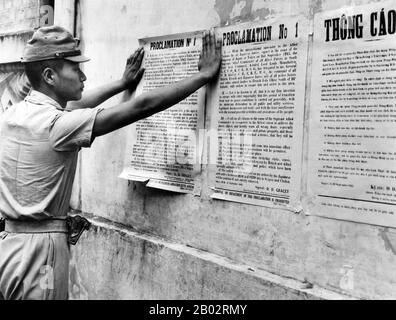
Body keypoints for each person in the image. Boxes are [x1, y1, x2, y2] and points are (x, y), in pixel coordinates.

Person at [0, 25, 222, 300]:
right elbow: (142, 106)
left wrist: (121, 83)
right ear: (50, 76)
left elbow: (76, 107)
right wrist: (202, 76)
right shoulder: (56, 125)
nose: (83, 76)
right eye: (75, 69)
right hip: (42, 254)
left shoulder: (15, 115)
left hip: (10, 248)